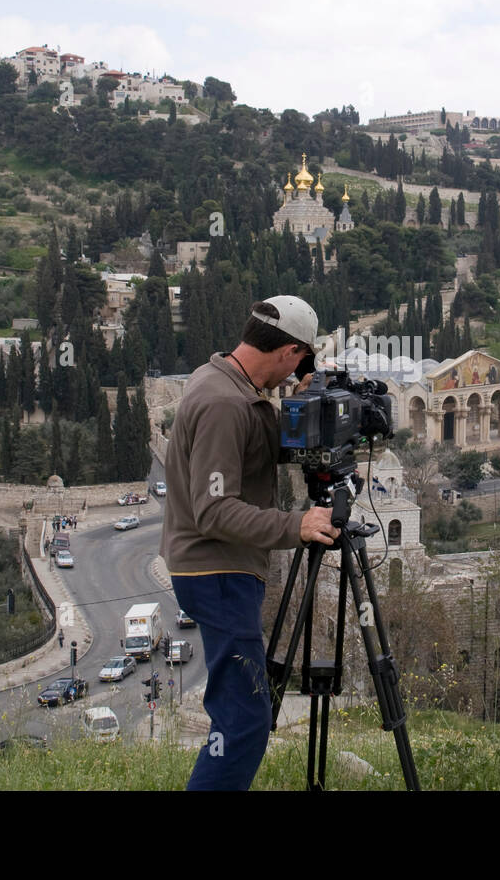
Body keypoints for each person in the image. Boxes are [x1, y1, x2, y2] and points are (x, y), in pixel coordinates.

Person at [160, 296, 340, 790]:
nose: (301, 368)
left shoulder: (232, 381)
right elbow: (214, 510)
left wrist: (308, 411)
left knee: (245, 712)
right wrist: (296, 526)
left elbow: (255, 447)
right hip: (215, 570)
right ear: (287, 351)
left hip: (222, 570)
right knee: (244, 720)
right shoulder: (224, 402)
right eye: (303, 359)